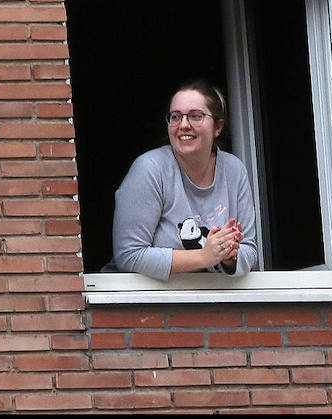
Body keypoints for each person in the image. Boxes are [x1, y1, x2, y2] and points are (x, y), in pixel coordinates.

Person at [105, 79, 258, 278]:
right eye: (175, 117)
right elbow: (128, 255)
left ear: (218, 127)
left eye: (195, 116)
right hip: (142, 302)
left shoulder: (234, 170)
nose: (184, 125)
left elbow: (249, 250)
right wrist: (204, 257)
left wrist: (229, 256)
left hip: (209, 300)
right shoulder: (150, 169)